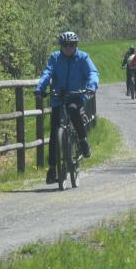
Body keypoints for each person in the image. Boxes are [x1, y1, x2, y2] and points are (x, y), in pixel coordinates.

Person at [36, 31, 99, 184]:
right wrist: (40, 88)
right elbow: (47, 73)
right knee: (54, 133)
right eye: (65, 45)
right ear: (61, 46)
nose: (69, 48)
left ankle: (83, 141)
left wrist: (91, 87)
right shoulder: (55, 58)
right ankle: (52, 168)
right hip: (58, 98)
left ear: (76, 45)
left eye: (72, 45)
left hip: (77, 96)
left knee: (72, 109)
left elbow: (92, 72)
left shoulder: (83, 58)